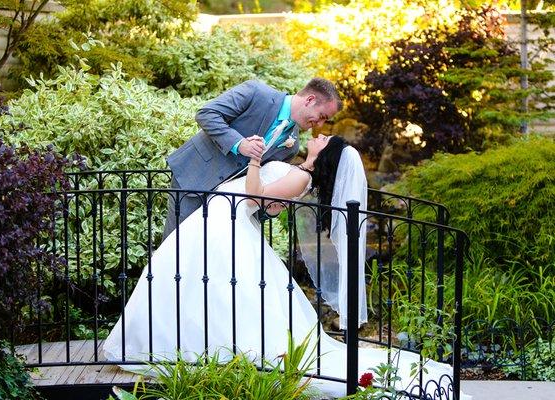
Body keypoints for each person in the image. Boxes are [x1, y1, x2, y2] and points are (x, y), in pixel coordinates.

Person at [103, 134, 467, 398]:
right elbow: (270, 204)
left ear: (326, 155)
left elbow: (254, 195)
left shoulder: (303, 175)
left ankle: (198, 350)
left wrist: (256, 161)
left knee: (208, 289)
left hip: (224, 224)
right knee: (202, 289)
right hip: (220, 223)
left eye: (326, 139)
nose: (319, 134)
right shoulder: (299, 171)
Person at [162, 77, 342, 239]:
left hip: (225, 207)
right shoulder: (256, 92)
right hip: (195, 177)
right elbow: (207, 114)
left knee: (203, 256)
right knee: (175, 246)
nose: (320, 124)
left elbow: (261, 186)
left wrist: (270, 209)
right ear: (310, 100)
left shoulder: (292, 146)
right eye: (322, 116)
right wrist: (239, 144)